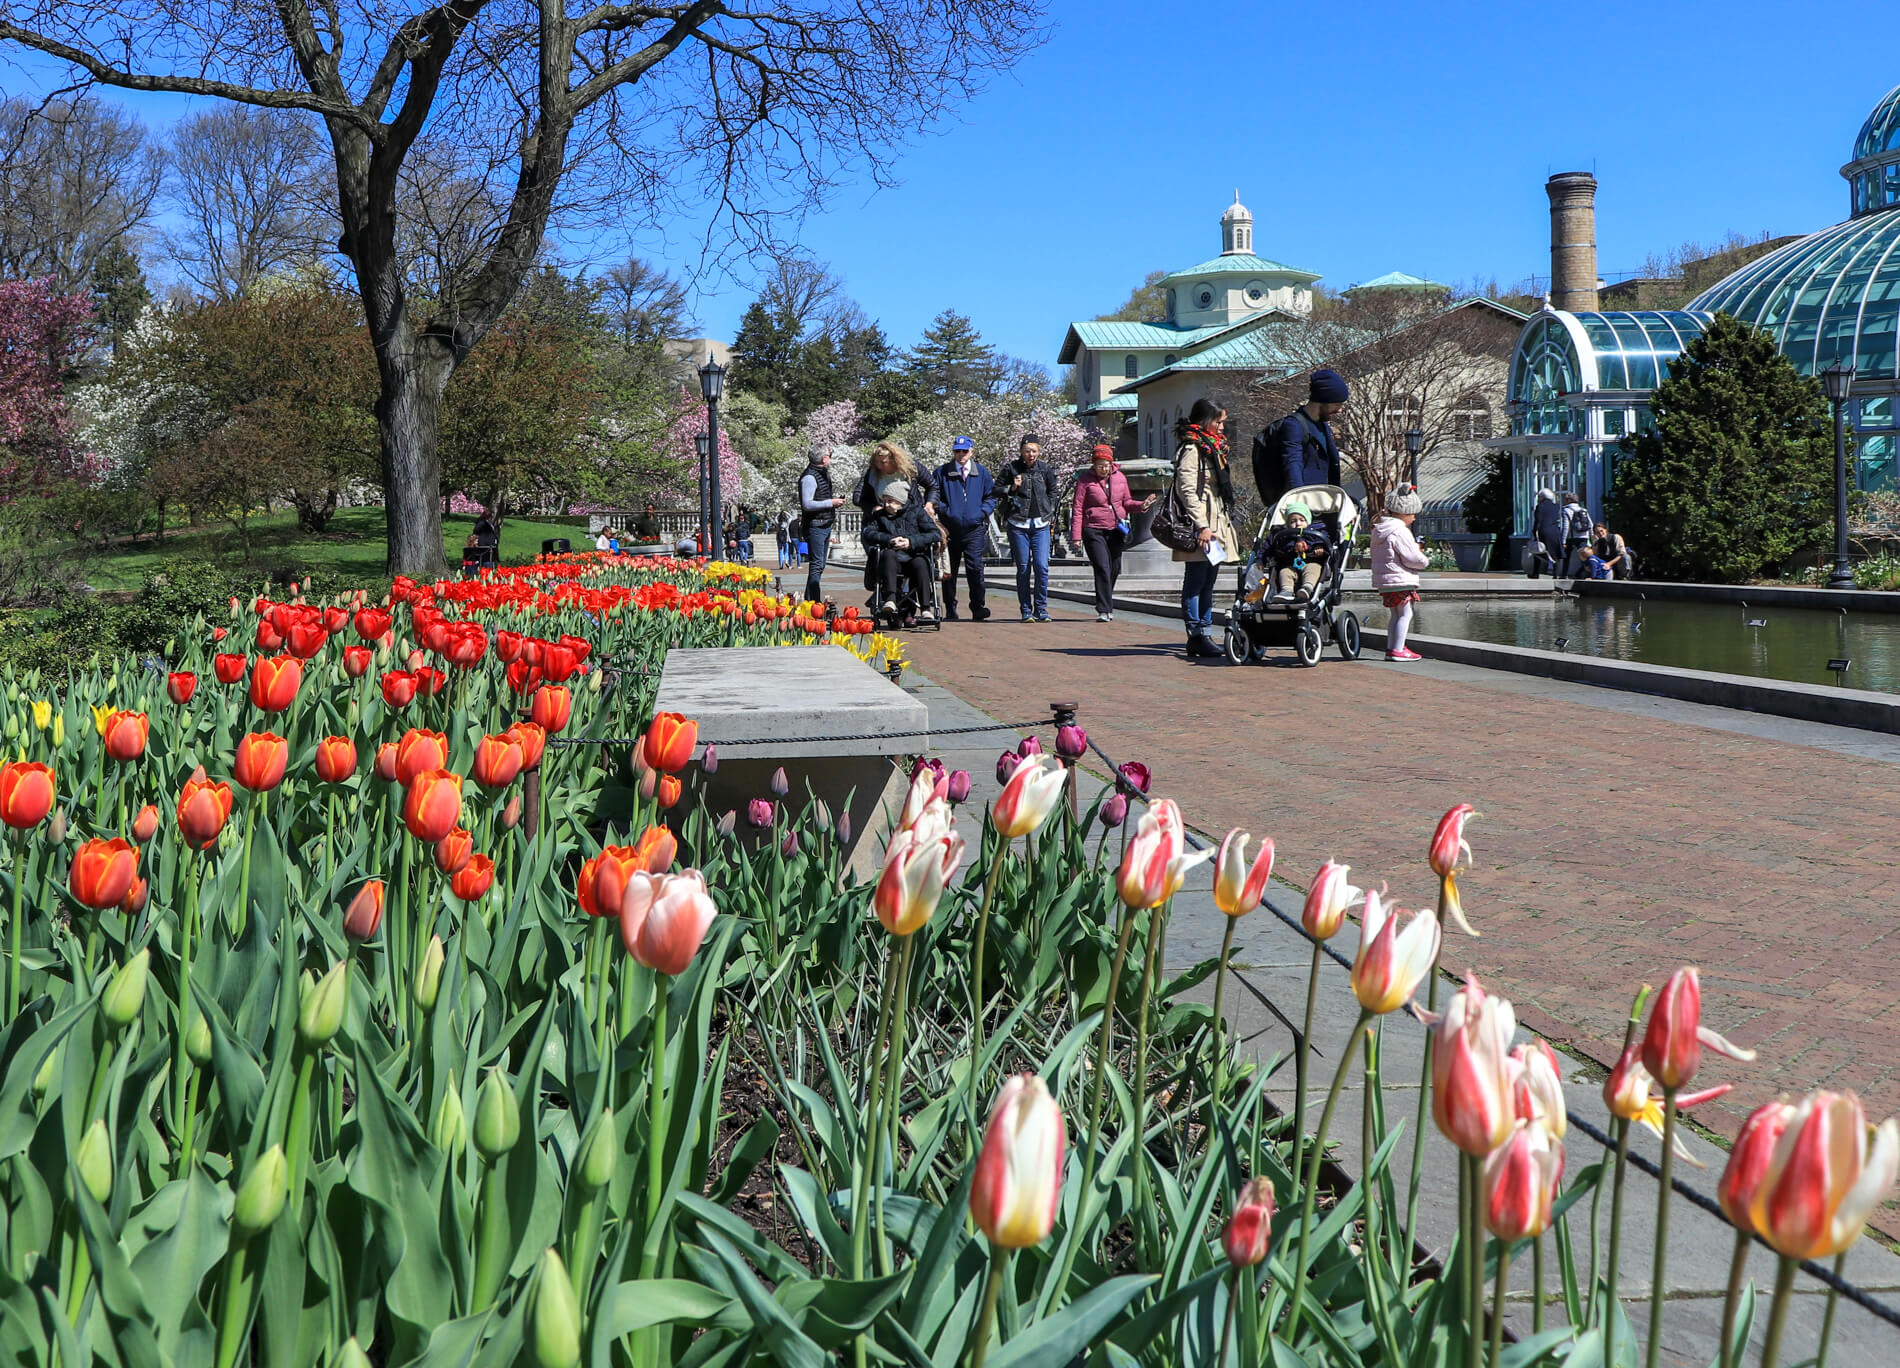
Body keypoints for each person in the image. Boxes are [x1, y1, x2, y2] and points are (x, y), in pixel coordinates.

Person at [1172, 399, 1240, 658]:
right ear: (1204, 422)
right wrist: (1201, 526)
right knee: (1197, 580)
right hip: (1202, 524)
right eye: (1218, 421)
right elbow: (1187, 489)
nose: (1222, 427)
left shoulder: (1212, 447)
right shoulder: (1192, 448)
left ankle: (1205, 631)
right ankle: (1196, 634)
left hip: (1215, 521)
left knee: (1208, 581)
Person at [1070, 444, 1149, 621]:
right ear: (1094, 464)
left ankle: (1105, 598)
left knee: (1115, 568)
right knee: (1102, 567)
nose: (1103, 469)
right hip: (1093, 529)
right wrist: (1075, 536)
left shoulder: (1120, 478)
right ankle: (1104, 609)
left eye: (1106, 465)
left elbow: (1126, 502)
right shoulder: (1084, 480)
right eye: (1100, 465)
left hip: (1116, 529)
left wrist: (1140, 505)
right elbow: (1077, 508)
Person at [1253, 368, 1348, 509]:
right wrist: (1298, 506)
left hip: (1324, 505)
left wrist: (1342, 503)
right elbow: (1292, 464)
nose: (1340, 409)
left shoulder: (1323, 425)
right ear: (1322, 400)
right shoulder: (1294, 426)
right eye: (1336, 404)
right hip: (1305, 509)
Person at [858, 482, 941, 626]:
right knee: (888, 554)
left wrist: (911, 542)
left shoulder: (918, 512)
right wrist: (889, 540)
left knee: (921, 562)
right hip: (891, 561)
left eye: (890, 501)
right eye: (884, 501)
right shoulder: (879, 516)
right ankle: (890, 600)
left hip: (913, 556)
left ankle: (926, 608)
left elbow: (934, 534)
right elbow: (868, 534)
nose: (886, 504)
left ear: (900, 500)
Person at [934, 435, 998, 621]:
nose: (961, 454)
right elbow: (934, 496)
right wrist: (947, 511)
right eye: (957, 451)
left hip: (974, 529)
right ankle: (950, 608)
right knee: (948, 570)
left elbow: (991, 496)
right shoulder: (942, 472)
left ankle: (978, 606)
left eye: (965, 451)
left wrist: (982, 512)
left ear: (972, 452)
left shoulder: (982, 473)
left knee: (975, 568)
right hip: (949, 530)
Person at [1001, 434, 1059, 622]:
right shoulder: (1011, 468)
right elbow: (995, 490)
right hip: (1018, 524)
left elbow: (1053, 491)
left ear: (1039, 451)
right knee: (1024, 567)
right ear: (1021, 451)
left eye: (1034, 451)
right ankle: (1026, 609)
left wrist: (1049, 510)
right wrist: (1012, 487)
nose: (1031, 454)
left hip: (1041, 524)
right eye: (1027, 451)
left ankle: (1041, 608)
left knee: (1042, 566)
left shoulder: (1045, 469)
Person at [1372, 483, 1432, 661]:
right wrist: (1424, 560)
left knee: (1395, 614)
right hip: (1400, 579)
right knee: (1406, 613)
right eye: (1412, 514)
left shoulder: (1379, 530)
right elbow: (1411, 557)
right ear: (1403, 513)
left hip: (1386, 581)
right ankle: (1398, 650)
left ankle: (1393, 648)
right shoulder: (1400, 531)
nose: (1414, 518)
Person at [798, 448, 846, 602]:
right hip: (816, 525)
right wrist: (830, 503)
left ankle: (810, 600)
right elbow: (807, 504)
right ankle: (814, 602)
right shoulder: (809, 477)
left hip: (824, 523)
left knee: (820, 565)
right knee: (817, 565)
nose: (830, 459)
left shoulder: (821, 474)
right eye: (829, 456)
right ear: (823, 459)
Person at [1265, 500, 1332, 601]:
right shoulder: (1285, 535)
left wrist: (1319, 549)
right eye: (1293, 521)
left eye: (1301, 520)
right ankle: (1286, 591)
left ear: (1308, 521)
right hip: (1291, 565)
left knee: (1313, 568)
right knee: (1284, 572)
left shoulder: (1316, 532)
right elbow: (1274, 548)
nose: (1297, 523)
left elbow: (1325, 543)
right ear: (1288, 523)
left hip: (1311, 561)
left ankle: (1307, 588)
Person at [1529, 488, 1564, 578]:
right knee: (1555, 553)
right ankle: (1556, 574)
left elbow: (1538, 520)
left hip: (1543, 531)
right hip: (1555, 531)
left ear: (1542, 497)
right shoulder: (1556, 506)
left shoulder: (1540, 506)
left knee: (1538, 551)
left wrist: (1534, 532)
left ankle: (1535, 573)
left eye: (1539, 496)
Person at [1560, 490, 1593, 577]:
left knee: (1566, 557)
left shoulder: (1566, 510)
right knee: (1585, 556)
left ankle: (1564, 575)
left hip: (1571, 537)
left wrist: (1563, 541)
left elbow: (1566, 527)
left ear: (1568, 500)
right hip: (1584, 536)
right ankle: (1588, 572)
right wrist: (1590, 537)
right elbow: (1590, 524)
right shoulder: (1583, 510)